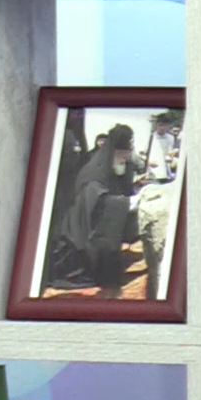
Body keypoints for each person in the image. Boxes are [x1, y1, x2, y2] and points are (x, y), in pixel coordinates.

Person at [44, 123, 138, 296]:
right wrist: (129, 202)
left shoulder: (112, 170)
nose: (126, 158)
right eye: (124, 154)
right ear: (115, 152)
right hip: (76, 244)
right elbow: (100, 204)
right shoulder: (94, 174)